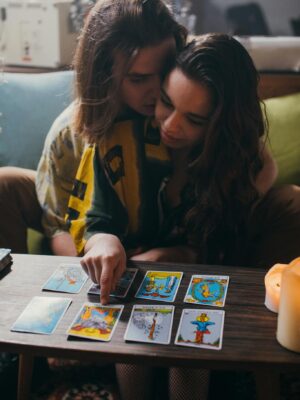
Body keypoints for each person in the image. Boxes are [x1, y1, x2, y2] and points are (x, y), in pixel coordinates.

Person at [79, 32, 300, 400]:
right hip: (134, 297)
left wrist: (185, 255)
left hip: (202, 298)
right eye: (166, 102)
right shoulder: (122, 138)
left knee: (189, 355)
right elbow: (99, 219)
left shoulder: (243, 165)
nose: (170, 125)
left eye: (195, 119)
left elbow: (232, 250)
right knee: (134, 344)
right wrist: (105, 240)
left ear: (222, 124)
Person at [0, 0, 187, 256]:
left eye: (165, 70)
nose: (157, 91)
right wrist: (98, 262)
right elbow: (58, 227)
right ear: (103, 75)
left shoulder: (183, 115)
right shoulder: (70, 133)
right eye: (138, 79)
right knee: (5, 183)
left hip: (166, 243)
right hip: (93, 245)